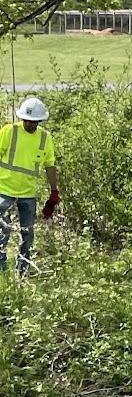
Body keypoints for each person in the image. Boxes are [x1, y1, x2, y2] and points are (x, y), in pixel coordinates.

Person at [0, 96, 59, 279]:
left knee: (28, 235)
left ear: (39, 121)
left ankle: (21, 273)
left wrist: (54, 192)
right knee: (3, 233)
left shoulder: (44, 138)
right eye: (26, 120)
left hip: (28, 194)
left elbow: (49, 165)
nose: (29, 124)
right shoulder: (9, 131)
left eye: (33, 121)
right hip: (4, 191)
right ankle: (1, 273)